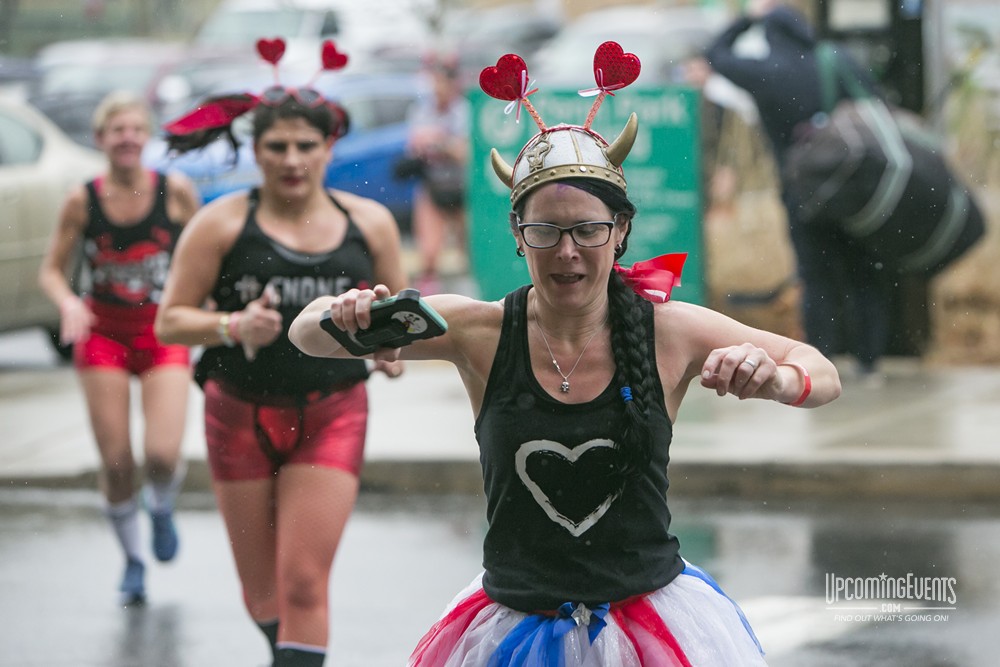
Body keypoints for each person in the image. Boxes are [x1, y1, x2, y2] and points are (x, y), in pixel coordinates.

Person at [290, 45, 841, 666]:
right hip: (513, 625)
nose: (567, 252)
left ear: (621, 231)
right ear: (518, 235)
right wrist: (347, 312)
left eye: (588, 230)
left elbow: (823, 374)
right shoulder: (480, 330)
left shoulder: (670, 330)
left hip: (649, 629)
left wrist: (776, 377)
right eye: (544, 232)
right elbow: (306, 335)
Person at [154, 39, 407, 667]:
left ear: (329, 148)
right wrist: (234, 326)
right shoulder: (219, 224)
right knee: (261, 592)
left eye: (306, 146)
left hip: (333, 413)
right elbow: (169, 323)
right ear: (255, 150)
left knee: (301, 581)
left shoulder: (370, 224)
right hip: (237, 413)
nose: (292, 160)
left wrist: (389, 349)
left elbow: (400, 325)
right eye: (277, 147)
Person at [37, 91, 200, 605]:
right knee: (116, 463)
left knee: (160, 454)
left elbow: (205, 256)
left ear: (146, 136)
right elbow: (50, 271)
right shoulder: (81, 199)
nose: (127, 137)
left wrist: (210, 315)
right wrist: (68, 302)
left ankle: (161, 506)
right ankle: (132, 561)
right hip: (103, 334)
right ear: (100, 139)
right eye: (116, 130)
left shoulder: (174, 192)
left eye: (135, 128)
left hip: (161, 333)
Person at [704, 0, 892, 382]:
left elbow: (715, 55)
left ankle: (822, 360)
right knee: (863, 270)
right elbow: (878, 105)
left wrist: (749, 19)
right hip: (856, 188)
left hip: (804, 192)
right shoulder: (836, 60)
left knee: (816, 275)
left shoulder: (767, 71)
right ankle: (870, 360)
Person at [403, 54, 471, 294]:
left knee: (471, 249)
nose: (436, 88)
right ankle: (427, 303)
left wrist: (440, 141)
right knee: (429, 253)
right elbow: (413, 144)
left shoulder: (465, 111)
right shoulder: (422, 110)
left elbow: (466, 153)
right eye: (433, 83)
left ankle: (475, 298)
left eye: (441, 82)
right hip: (433, 185)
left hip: (462, 187)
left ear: (453, 84)